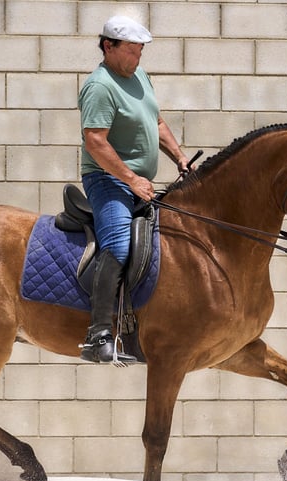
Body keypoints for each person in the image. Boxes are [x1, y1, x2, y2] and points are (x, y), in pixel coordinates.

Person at [78, 15, 190, 363]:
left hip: (139, 184)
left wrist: (180, 158)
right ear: (108, 46)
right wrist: (131, 178)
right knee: (118, 245)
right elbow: (95, 142)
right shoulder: (100, 86)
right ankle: (98, 337)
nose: (137, 58)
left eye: (140, 51)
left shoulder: (140, 76)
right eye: (131, 51)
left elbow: (155, 121)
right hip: (108, 180)